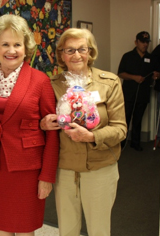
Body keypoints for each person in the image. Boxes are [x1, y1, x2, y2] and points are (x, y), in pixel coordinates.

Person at [0, 14, 59, 236]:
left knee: (24, 228)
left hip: (27, 168)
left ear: (26, 48)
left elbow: (52, 132)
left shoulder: (40, 80)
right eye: (5, 44)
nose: (11, 50)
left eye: (17, 44)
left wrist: (47, 176)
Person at [40, 28, 127, 236]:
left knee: (99, 230)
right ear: (61, 54)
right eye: (69, 50)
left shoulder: (109, 83)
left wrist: (92, 136)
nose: (76, 55)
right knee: (67, 230)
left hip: (100, 169)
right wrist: (43, 124)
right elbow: (41, 125)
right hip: (65, 171)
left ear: (91, 52)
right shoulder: (51, 85)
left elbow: (121, 129)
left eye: (82, 49)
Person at [118, 31, 159, 151]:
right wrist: (134, 77)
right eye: (142, 42)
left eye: (147, 42)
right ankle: (121, 143)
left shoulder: (151, 58)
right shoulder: (128, 56)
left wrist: (156, 75)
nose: (145, 44)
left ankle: (135, 142)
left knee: (138, 119)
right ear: (136, 42)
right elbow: (120, 73)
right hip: (129, 93)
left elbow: (157, 74)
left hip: (143, 93)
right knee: (125, 119)